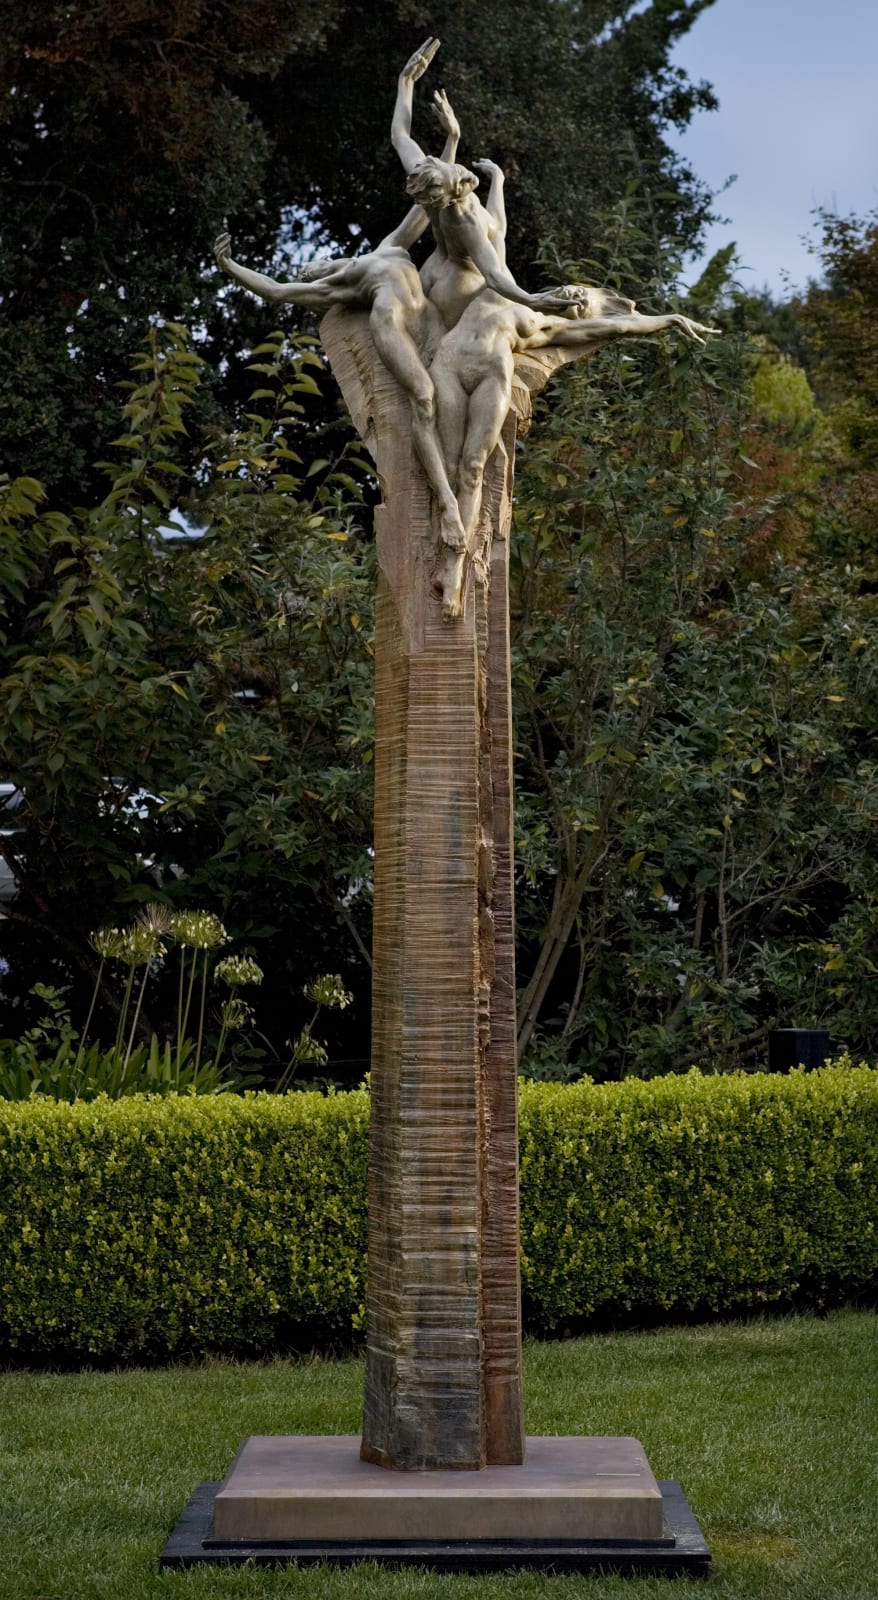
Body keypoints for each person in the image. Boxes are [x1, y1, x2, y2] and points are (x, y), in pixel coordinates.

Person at [214, 91, 468, 550]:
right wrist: (232, 269)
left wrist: (427, 108)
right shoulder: (343, 285)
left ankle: (456, 484)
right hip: (392, 330)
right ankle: (447, 504)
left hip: (428, 323)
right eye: (308, 270)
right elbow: (275, 290)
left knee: (450, 392)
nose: (311, 267)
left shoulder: (386, 249)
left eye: (311, 264)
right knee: (425, 400)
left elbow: (431, 200)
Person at [429, 288, 718, 618]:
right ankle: (445, 541)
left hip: (492, 373)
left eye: (583, 307)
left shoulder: (545, 326)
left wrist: (669, 319)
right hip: (449, 365)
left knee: (472, 468)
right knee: (448, 465)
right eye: (580, 292)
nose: (576, 299)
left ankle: (454, 568)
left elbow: (618, 327)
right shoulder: (497, 286)